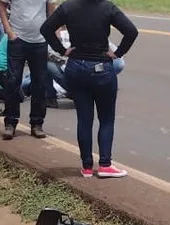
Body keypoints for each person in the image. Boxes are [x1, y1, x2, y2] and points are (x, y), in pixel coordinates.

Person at [41, 0, 138, 178]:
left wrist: (62, 50)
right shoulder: (107, 7)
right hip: (101, 66)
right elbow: (131, 31)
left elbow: (46, 28)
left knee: (84, 119)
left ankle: (86, 167)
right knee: (106, 118)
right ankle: (105, 165)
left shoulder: (68, 7)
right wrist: (118, 53)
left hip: (76, 66)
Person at [0, 0, 57, 140]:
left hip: (40, 41)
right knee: (12, 81)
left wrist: (50, 33)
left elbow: (51, 11)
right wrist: (9, 31)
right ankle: (10, 123)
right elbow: (1, 6)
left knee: (40, 83)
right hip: (17, 40)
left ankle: (37, 123)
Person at [43, 27, 125, 108]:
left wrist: (61, 50)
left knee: (43, 61)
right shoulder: (94, 31)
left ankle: (51, 97)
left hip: (74, 75)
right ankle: (100, 86)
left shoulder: (60, 35)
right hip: (90, 71)